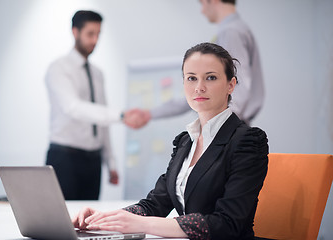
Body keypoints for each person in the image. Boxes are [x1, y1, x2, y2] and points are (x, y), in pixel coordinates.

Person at [72, 43, 269, 239]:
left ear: (231, 85)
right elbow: (155, 204)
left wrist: (143, 223)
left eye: (210, 77)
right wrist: (104, 218)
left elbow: (227, 224)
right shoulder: (186, 142)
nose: (199, 87)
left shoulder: (248, 141)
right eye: (191, 78)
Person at [127, 0, 264, 127]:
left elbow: (239, 87)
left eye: (202, 3)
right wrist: (151, 114)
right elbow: (199, 92)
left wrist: (222, 127)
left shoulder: (231, 32)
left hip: (228, 127)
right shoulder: (233, 30)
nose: (202, 11)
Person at [45, 10, 130, 200]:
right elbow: (73, 108)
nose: (95, 40)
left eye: (98, 34)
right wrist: (121, 115)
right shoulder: (58, 69)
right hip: (64, 158)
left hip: (93, 161)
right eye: (90, 34)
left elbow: (101, 120)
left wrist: (111, 162)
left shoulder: (98, 73)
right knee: (61, 220)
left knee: (88, 220)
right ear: (75, 32)